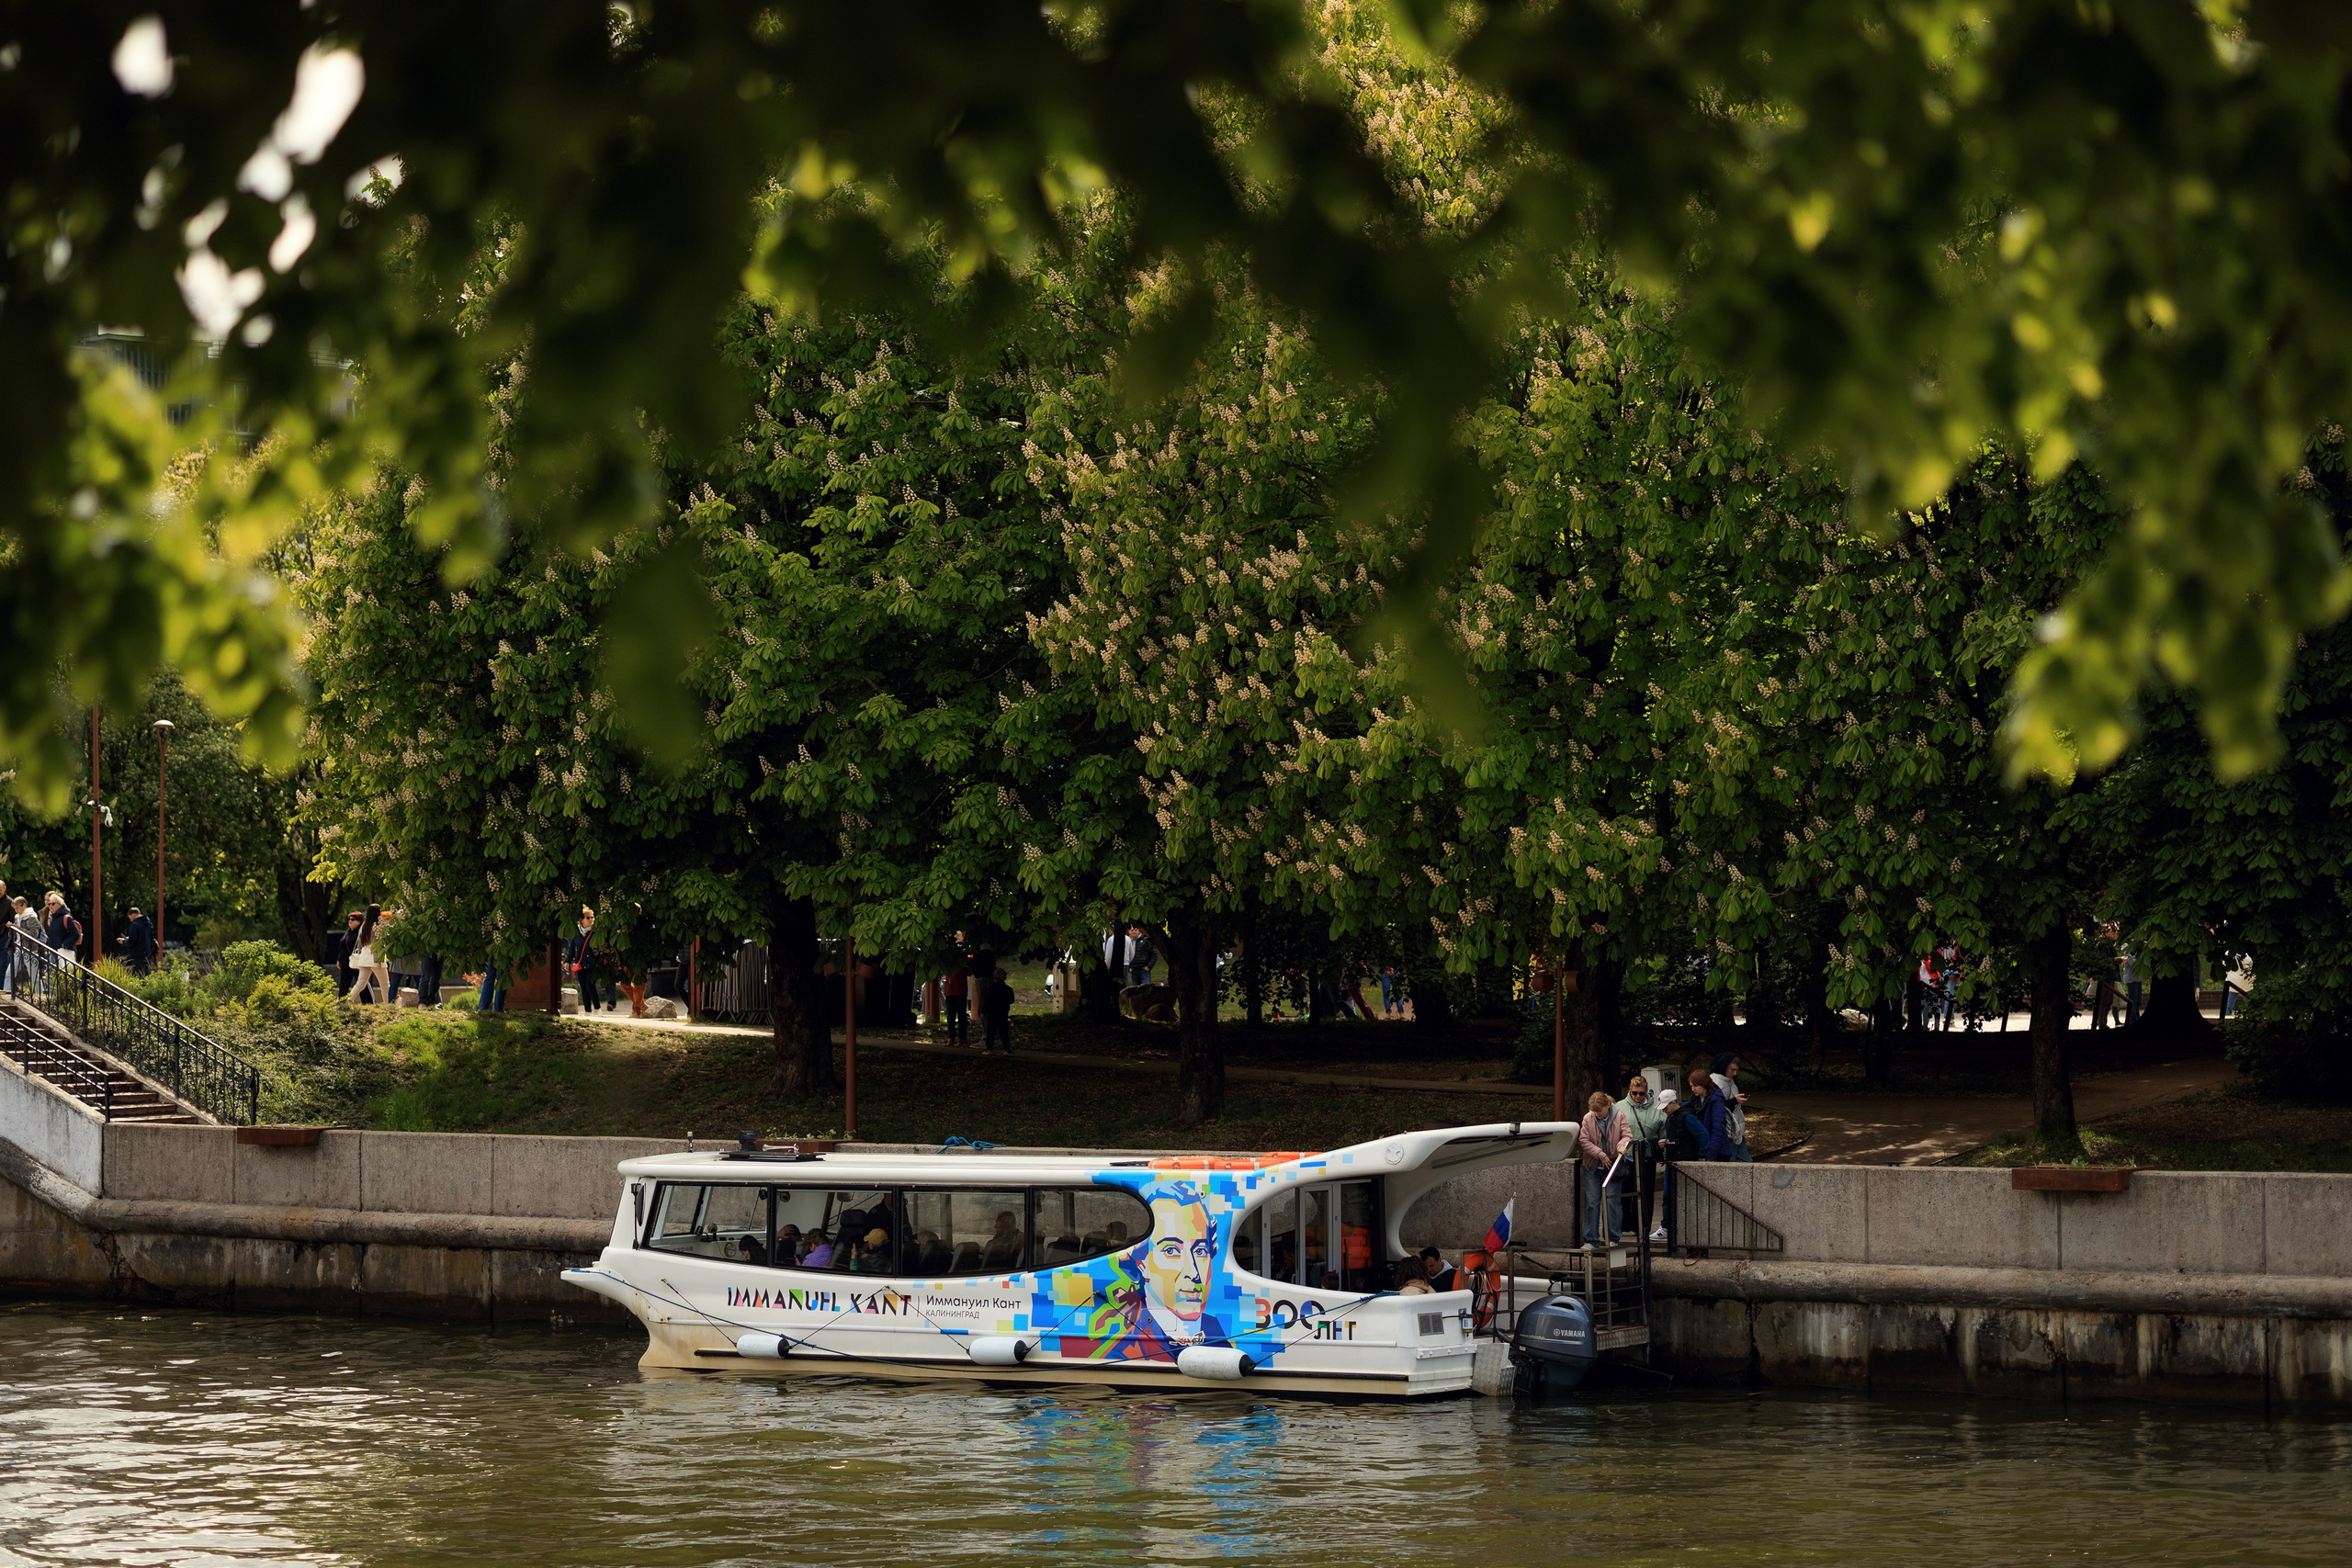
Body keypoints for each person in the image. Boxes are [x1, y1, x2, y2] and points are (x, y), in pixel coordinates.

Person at [1577, 1089, 1633, 1247]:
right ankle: (1591, 1239)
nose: (1597, 1114)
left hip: (1613, 1165)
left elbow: (1627, 1135)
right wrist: (1600, 1154)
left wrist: (1622, 1145)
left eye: (1599, 1111)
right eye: (1594, 1112)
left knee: (1612, 1203)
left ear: (1607, 1105)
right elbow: (1584, 1140)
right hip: (1593, 1166)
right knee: (1592, 1203)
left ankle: (1612, 1238)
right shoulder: (1588, 1118)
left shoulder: (1619, 1115)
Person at [1617, 1073, 1668, 1239]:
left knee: (1646, 1193)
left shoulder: (1657, 1109)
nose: (1638, 1096)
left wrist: (1663, 1151)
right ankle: (1623, 1225)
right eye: (1634, 1093)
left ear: (1647, 1092)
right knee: (1624, 1191)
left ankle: (1643, 1226)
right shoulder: (1620, 1107)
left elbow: (1663, 1133)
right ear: (1630, 1092)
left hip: (1647, 1157)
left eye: (1641, 1093)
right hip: (1626, 1157)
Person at [1711, 1052, 1752, 1162]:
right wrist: (1734, 1101)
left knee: (1747, 1162)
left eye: (1736, 1070)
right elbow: (1715, 1108)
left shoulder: (1730, 1082)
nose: (1735, 1073)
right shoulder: (1715, 1083)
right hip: (1728, 1134)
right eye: (1732, 1070)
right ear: (1724, 1067)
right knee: (1732, 1165)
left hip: (1737, 1132)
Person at [346, 904, 390, 1004]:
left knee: (361, 983)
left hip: (364, 957)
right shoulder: (377, 926)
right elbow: (377, 944)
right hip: (375, 957)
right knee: (384, 984)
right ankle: (388, 1005)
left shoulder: (364, 926)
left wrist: (361, 954)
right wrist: (378, 961)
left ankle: (350, 999)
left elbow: (360, 944)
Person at [567, 906, 603, 1013]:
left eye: (592, 917)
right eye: (588, 918)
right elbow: (572, 949)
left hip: (592, 964)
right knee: (583, 987)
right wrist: (567, 961)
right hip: (580, 964)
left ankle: (597, 1009)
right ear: (581, 920)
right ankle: (588, 1011)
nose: (591, 919)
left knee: (590, 985)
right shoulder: (577, 934)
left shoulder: (595, 933)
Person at [978, 965, 1015, 1055]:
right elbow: (1011, 1000)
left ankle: (989, 1049)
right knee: (1004, 1031)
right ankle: (1007, 1049)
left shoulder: (991, 989)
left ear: (994, 977)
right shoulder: (1008, 989)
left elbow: (987, 1001)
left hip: (992, 1013)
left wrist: (983, 1012)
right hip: (1003, 1013)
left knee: (991, 1031)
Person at [43, 892, 82, 965]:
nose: (51, 906)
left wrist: (65, 944)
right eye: (49, 904)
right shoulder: (52, 918)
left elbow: (76, 934)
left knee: (63, 974)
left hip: (64, 952)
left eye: (53, 904)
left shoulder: (67, 918)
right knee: (50, 974)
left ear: (60, 905)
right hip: (52, 951)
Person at [119, 907, 157, 975]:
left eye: (130, 918)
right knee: (146, 976)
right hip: (148, 954)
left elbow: (132, 941)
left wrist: (124, 941)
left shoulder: (134, 925)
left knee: (137, 976)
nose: (131, 920)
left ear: (133, 915)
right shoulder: (148, 923)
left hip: (138, 956)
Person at [334, 910, 363, 997]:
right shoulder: (348, 932)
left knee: (362, 984)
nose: (350, 921)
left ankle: (368, 1003)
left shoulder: (360, 933)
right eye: (349, 919)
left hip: (357, 963)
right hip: (346, 963)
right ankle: (341, 1003)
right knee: (343, 985)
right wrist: (339, 959)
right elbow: (342, 947)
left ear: (359, 922)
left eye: (353, 919)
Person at [942, 961, 970, 1045]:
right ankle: (953, 1037)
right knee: (953, 1016)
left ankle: (959, 1037)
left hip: (958, 993)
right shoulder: (954, 965)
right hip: (954, 993)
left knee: (960, 1016)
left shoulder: (962, 964)